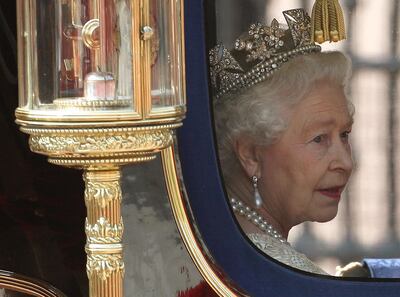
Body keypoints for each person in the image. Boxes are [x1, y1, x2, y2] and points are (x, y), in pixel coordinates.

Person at [211, 8, 353, 274]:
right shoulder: (276, 272)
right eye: (319, 139)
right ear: (251, 154)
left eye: (344, 135)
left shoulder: (226, 240)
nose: (345, 162)